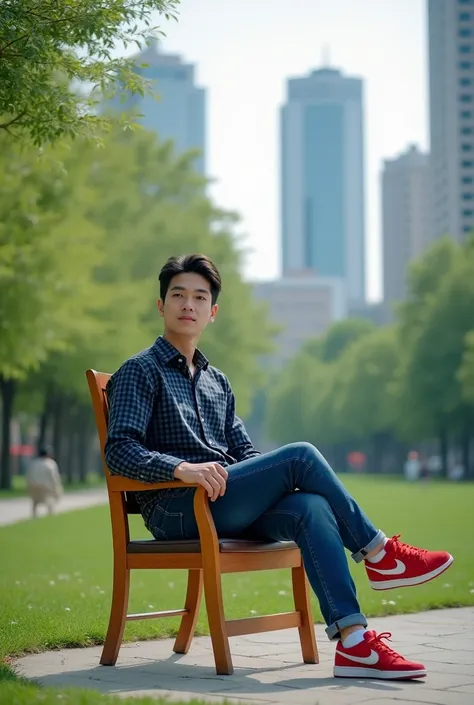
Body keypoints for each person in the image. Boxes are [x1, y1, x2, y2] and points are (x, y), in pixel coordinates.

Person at [105, 254, 454, 681]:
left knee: (310, 507)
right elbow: (119, 451)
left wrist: (272, 483)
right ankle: (380, 553)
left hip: (227, 502)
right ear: (161, 306)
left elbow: (247, 454)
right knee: (301, 455)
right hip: (177, 509)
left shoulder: (219, 382)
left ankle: (354, 642)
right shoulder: (139, 371)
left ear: (212, 313)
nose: (188, 305)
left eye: (199, 297)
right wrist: (182, 468)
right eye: (178, 295)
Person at [26, 446, 63, 518]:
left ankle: (34, 516)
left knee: (35, 502)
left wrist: (28, 486)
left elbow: (29, 475)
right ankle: (50, 515)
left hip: (34, 485)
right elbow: (54, 477)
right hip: (45, 487)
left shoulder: (34, 463)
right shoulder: (50, 463)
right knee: (49, 501)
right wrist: (57, 487)